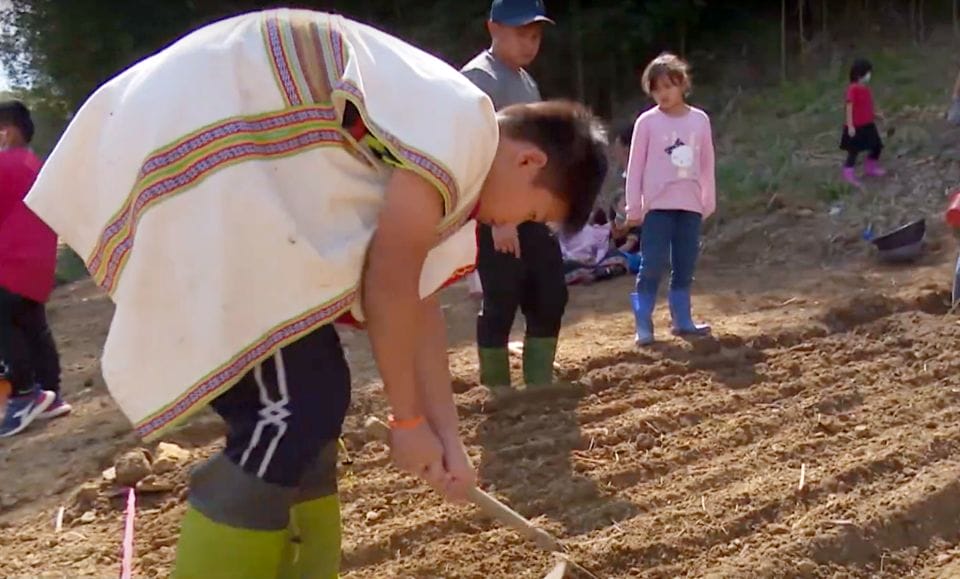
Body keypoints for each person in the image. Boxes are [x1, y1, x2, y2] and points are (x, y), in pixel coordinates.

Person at [24, 9, 607, 579]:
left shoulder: (453, 158)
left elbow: (417, 303)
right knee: (292, 408)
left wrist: (447, 437)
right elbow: (389, 283)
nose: (517, 223)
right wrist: (407, 422)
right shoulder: (462, 132)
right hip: (210, 142)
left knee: (312, 404)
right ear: (528, 159)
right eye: (534, 213)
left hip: (239, 171)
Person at [461, 0, 570, 389]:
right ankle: (497, 388)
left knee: (550, 293)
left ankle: (539, 381)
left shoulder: (525, 80)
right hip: (499, 215)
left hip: (531, 211)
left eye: (535, 36)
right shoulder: (478, 79)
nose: (530, 43)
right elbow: (478, 152)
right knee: (502, 300)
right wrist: (497, 218)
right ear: (494, 28)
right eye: (521, 34)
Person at [626, 53, 716, 346]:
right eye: (656, 89)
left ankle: (682, 319)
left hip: (690, 204)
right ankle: (643, 322)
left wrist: (708, 198)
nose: (663, 94)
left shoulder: (700, 120)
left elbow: (706, 163)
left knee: (685, 263)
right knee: (652, 263)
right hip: (657, 206)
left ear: (682, 85)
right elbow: (635, 167)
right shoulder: (647, 122)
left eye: (668, 86)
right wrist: (634, 205)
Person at [0, 100, 70, 438]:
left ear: (8, 130)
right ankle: (51, 394)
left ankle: (25, 393)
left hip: (8, 262)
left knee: (5, 325)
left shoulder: (5, 165)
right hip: (37, 264)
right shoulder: (35, 164)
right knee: (33, 327)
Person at [840, 58, 886, 187]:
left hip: (868, 124)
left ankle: (870, 167)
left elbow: (866, 108)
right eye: (867, 73)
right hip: (856, 126)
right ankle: (848, 174)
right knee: (853, 151)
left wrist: (876, 115)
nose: (869, 76)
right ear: (859, 74)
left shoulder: (866, 90)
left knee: (876, 146)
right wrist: (850, 125)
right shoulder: (853, 89)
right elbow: (849, 107)